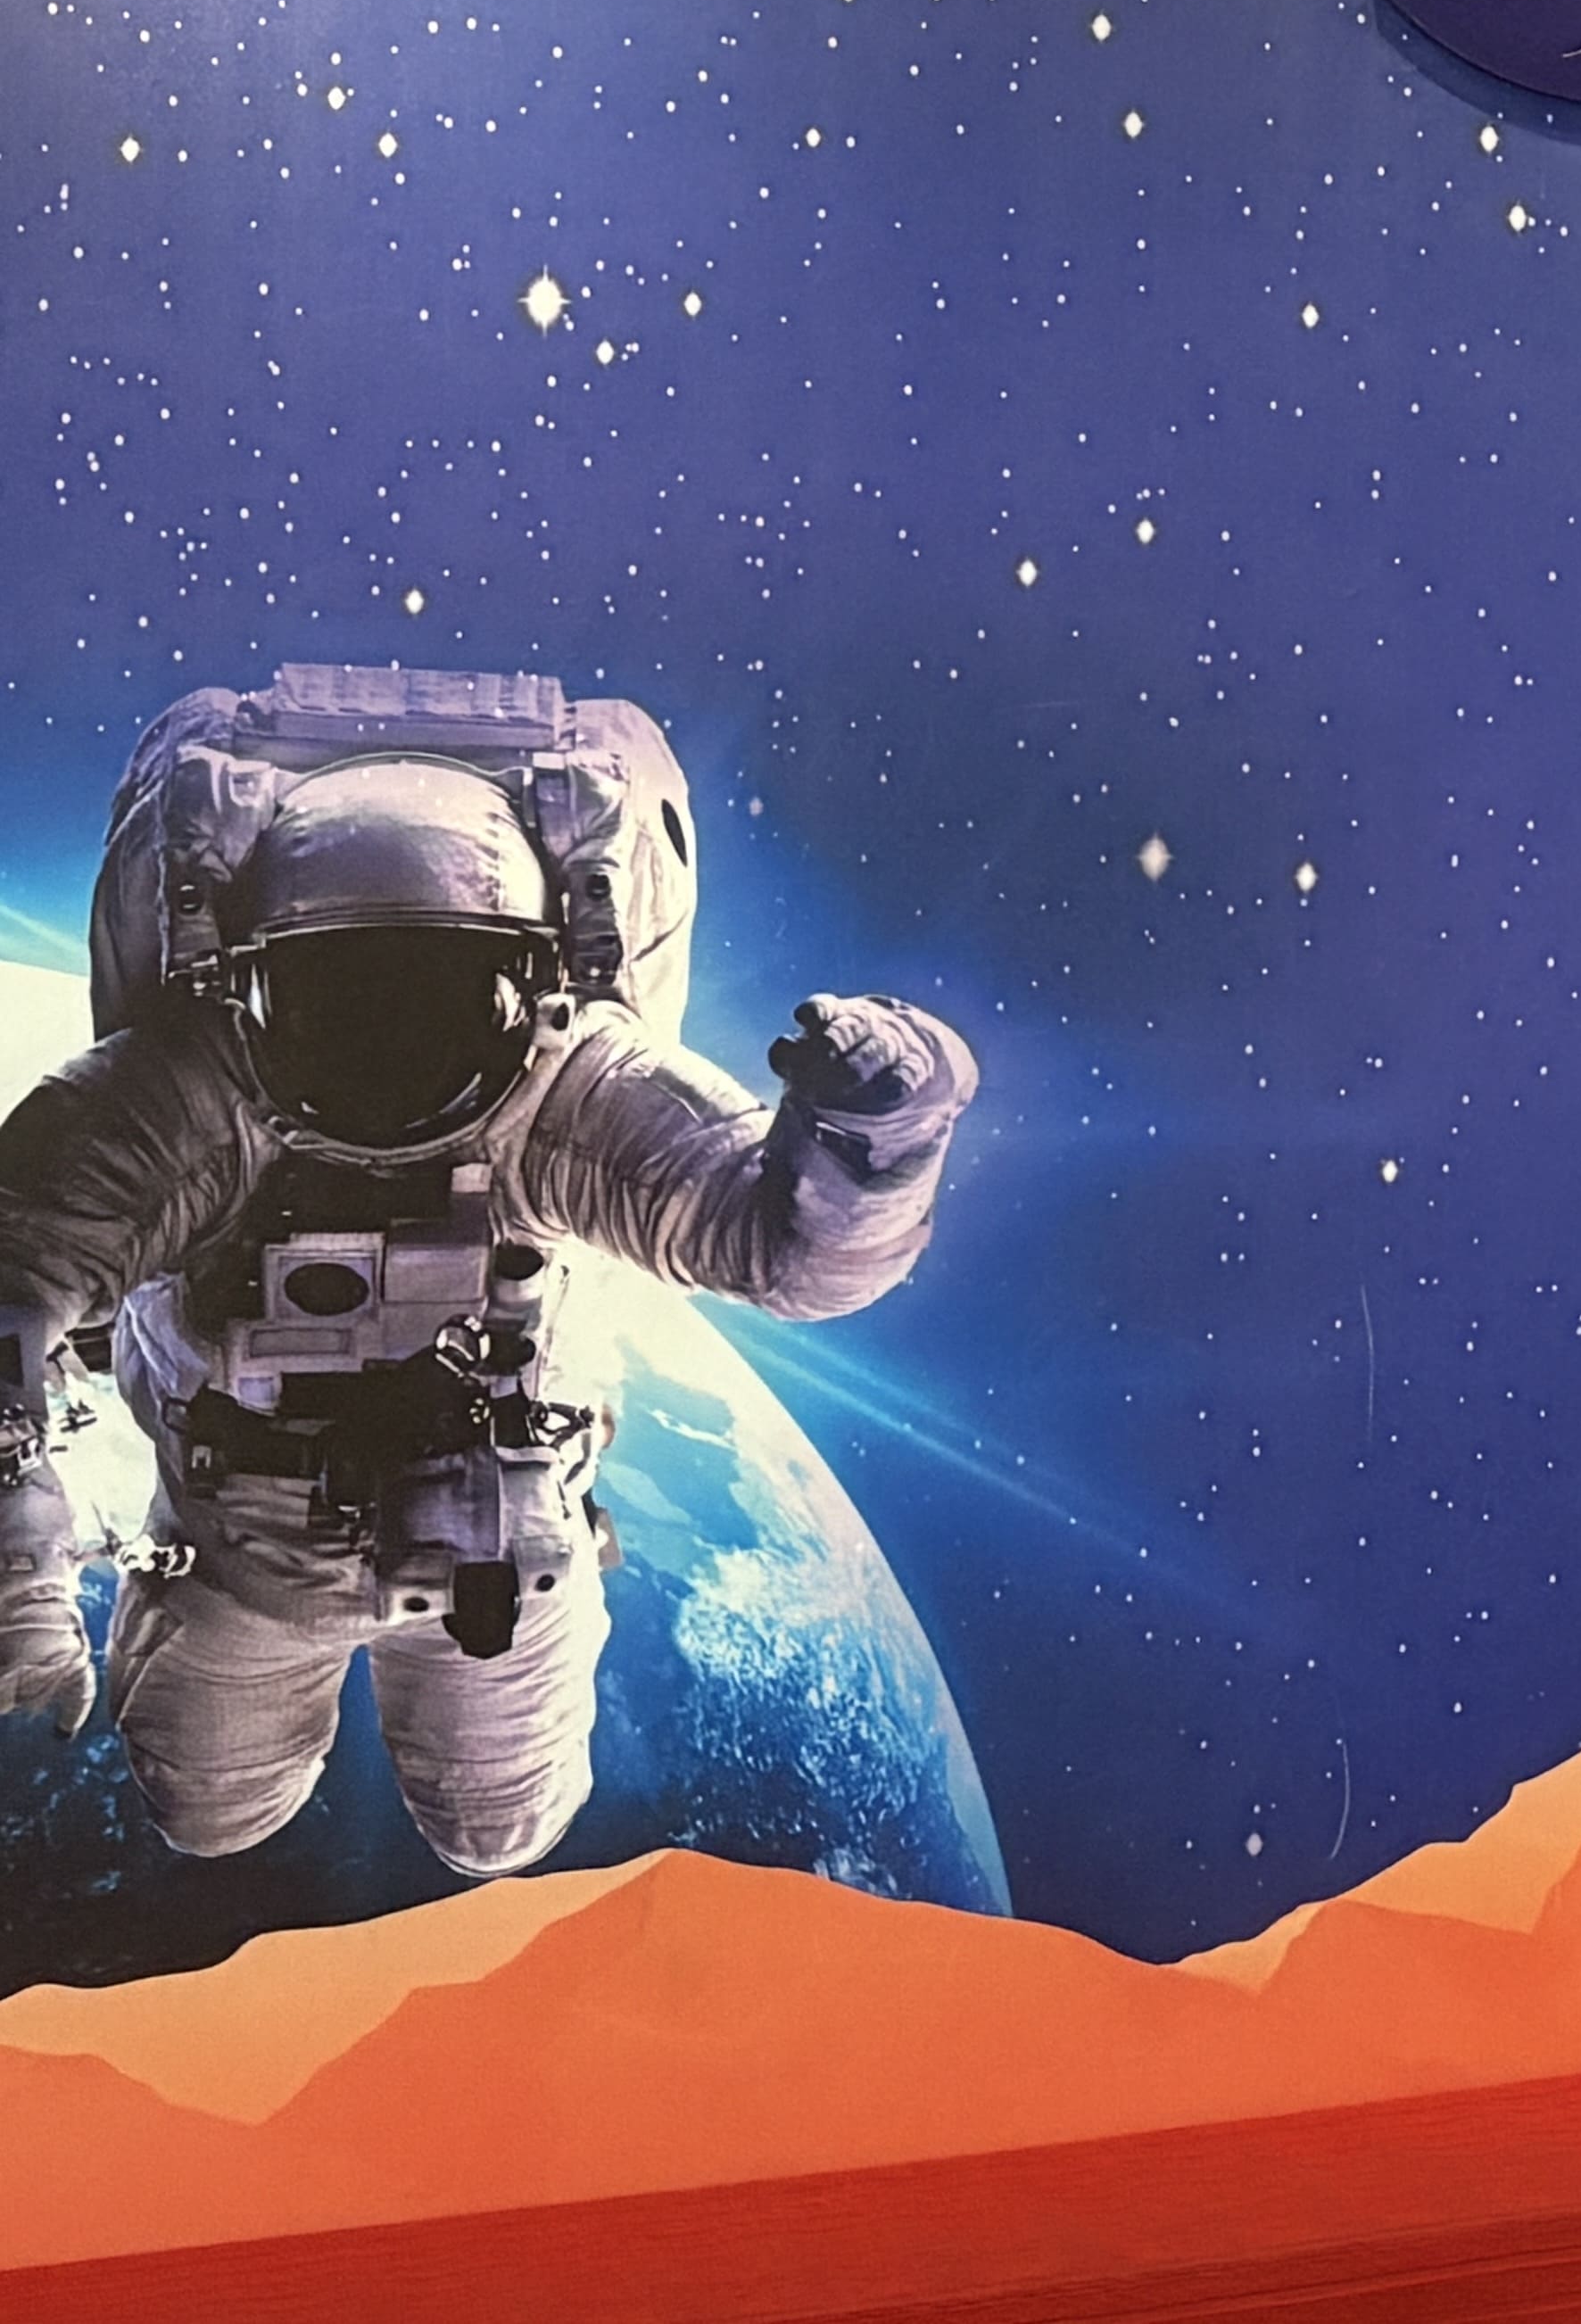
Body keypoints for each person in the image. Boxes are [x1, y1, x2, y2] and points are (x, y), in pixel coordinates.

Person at [0, 747, 973, 1874]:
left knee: (500, 1826)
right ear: (247, 983)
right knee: (208, 1811)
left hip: (498, 1538)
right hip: (244, 1549)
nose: (390, 1040)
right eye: (346, 996)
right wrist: (19, 1573)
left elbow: (781, 1253)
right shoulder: (181, 1094)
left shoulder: (570, 1087)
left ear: (532, 981)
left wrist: (877, 1137)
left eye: (435, 996)